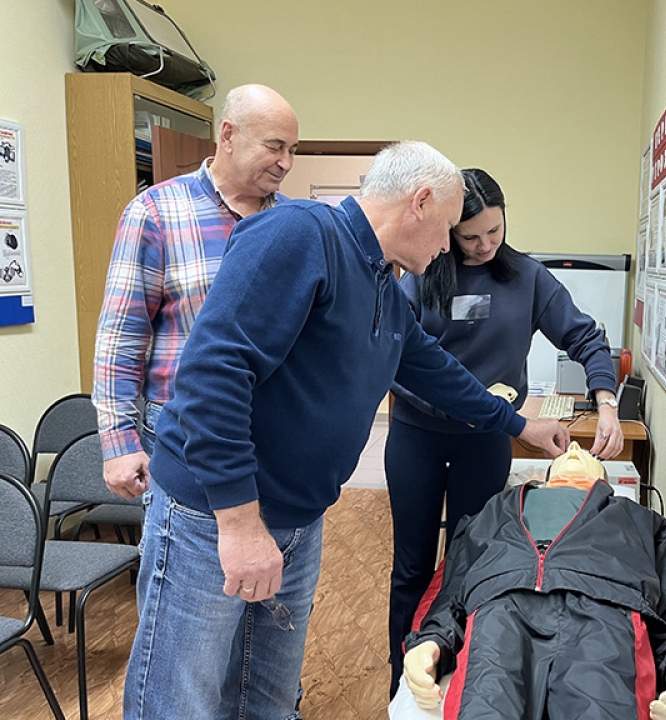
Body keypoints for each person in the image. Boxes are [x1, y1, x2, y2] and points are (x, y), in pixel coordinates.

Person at [121, 141, 571, 720]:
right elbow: (214, 371)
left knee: (267, 696)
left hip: (296, 520)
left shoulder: (381, 281)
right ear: (421, 201)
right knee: (180, 699)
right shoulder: (301, 233)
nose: (447, 247)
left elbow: (435, 371)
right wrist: (238, 522)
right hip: (213, 518)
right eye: (447, 230)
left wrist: (519, 424)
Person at [384, 168, 623, 696]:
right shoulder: (420, 274)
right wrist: (468, 407)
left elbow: (585, 336)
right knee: (414, 566)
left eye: (495, 232)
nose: (486, 245)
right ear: (447, 231)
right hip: (417, 438)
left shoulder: (527, 279)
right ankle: (402, 685)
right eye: (471, 236)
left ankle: (465, 682)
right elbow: (398, 361)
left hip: (485, 443)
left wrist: (606, 401)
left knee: (475, 562)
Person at [94, 84, 299, 499]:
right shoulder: (156, 212)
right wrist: (119, 443)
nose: (286, 163)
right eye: (275, 147)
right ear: (228, 135)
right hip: (182, 431)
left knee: (271, 558)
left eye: (292, 150)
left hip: (277, 433)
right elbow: (122, 335)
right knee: (186, 562)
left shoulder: (295, 222)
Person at [401, 442, 666, 720]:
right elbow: (451, 585)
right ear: (545, 479)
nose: (573, 446)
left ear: (605, 481)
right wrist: (432, 641)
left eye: (587, 454)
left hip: (604, 614)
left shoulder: (642, 520)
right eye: (567, 453)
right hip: (501, 609)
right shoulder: (495, 509)